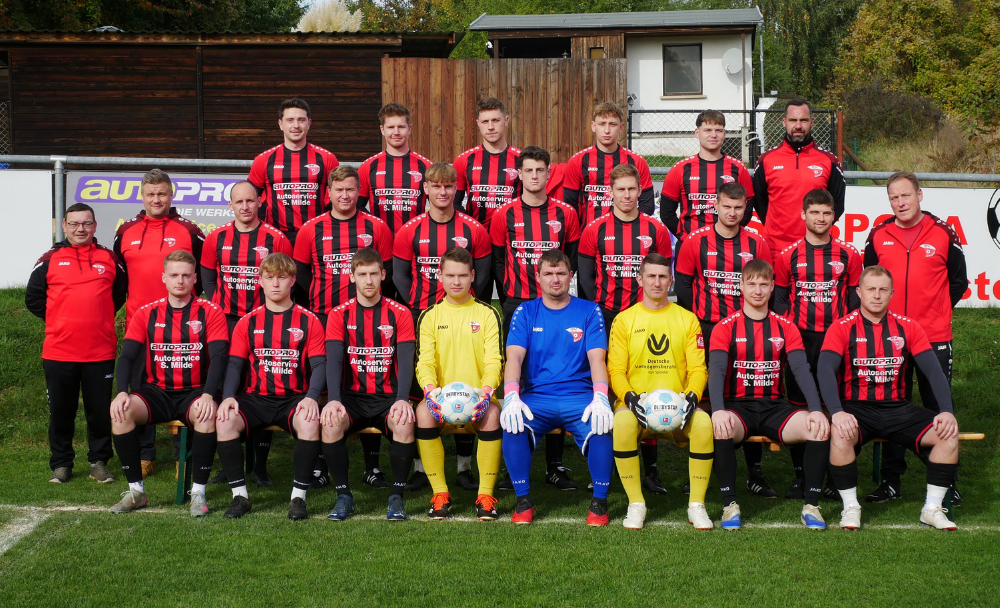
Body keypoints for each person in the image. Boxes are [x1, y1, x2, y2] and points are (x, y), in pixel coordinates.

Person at [817, 266, 961, 530]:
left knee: (948, 433)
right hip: (857, 409)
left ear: (892, 293)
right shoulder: (842, 327)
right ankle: (850, 507)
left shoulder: (908, 327)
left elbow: (933, 371)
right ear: (859, 292)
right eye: (871, 289)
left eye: (883, 290)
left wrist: (946, 410)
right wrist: (837, 412)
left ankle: (932, 508)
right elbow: (825, 370)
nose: (876, 295)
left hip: (898, 409)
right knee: (839, 432)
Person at [863, 171, 967, 504]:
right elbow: (869, 280)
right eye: (893, 197)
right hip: (889, 339)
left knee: (938, 406)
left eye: (905, 195)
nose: (900, 202)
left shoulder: (943, 232)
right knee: (892, 407)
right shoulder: (879, 235)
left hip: (933, 338)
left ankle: (947, 483)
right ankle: (891, 481)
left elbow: (959, 282)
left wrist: (935, 312)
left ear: (919, 195)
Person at [709, 260, 831, 530]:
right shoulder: (725, 327)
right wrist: (717, 410)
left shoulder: (786, 327)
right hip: (738, 407)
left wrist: (815, 409)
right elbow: (716, 371)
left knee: (818, 428)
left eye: (764, 284)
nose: (758, 290)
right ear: (741, 286)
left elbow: (801, 370)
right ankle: (730, 505)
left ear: (773, 286)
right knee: (720, 428)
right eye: (751, 284)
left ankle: (811, 506)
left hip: (775, 407)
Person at [293, 164, 395, 488]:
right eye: (339, 190)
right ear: (328, 193)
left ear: (359, 191)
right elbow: (302, 274)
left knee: (367, 383)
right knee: (325, 385)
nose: (345, 195)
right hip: (324, 318)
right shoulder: (311, 229)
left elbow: (387, 271)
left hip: (367, 317)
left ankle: (372, 466)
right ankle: (321, 464)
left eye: (351, 189)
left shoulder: (376, 227)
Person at [107, 251, 229, 516]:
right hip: (157, 391)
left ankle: (198, 492)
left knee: (207, 415)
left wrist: (209, 395)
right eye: (174, 275)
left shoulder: (210, 311)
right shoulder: (146, 313)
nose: (180, 280)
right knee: (121, 412)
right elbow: (127, 357)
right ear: (164, 277)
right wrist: (121, 392)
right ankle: (136, 492)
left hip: (196, 391)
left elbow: (219, 357)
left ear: (195, 278)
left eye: (186, 275)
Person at [393, 162, 491, 491]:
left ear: (455, 189)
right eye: (436, 186)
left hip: (463, 313)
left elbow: (483, 274)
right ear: (425, 189)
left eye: (448, 186)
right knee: (421, 386)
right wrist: (418, 304)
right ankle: (421, 468)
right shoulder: (409, 230)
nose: (443, 192)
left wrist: (463, 303)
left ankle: (464, 467)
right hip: (422, 315)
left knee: (463, 382)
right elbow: (400, 274)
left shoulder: (473, 229)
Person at [675, 181, 775, 498]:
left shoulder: (756, 242)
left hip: (747, 328)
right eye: (726, 206)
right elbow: (684, 285)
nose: (732, 213)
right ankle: (701, 468)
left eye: (738, 207)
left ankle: (755, 472)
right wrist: (698, 322)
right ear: (715, 206)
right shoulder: (695, 241)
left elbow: (764, 286)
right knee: (706, 397)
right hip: (706, 328)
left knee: (749, 394)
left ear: (746, 209)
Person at [500, 249, 615, 525]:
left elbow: (597, 359)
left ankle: (600, 504)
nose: (555, 279)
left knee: (602, 427)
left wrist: (600, 396)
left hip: (579, 397)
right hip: (537, 398)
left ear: (570, 276)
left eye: (561, 273)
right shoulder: (525, 311)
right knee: (513, 425)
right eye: (549, 273)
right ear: (538, 277)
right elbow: (514, 357)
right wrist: (511, 395)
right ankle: (523, 501)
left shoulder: (589, 311)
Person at [489, 145, 581, 490]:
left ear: (548, 173)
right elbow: (498, 260)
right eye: (528, 170)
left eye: (540, 170)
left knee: (555, 378)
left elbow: (570, 259)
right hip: (518, 303)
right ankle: (513, 464)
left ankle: (555, 465)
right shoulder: (504, 214)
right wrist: (510, 297)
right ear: (519, 174)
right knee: (516, 378)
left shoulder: (565, 213)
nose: (534, 176)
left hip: (556, 306)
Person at [578, 163, 673, 492]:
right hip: (606, 317)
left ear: (641, 191)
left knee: (647, 384)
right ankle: (602, 467)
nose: (627, 195)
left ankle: (651, 471)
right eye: (621, 189)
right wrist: (597, 313)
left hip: (645, 319)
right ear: (610, 192)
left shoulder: (655, 229)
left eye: (632, 189)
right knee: (603, 388)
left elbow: (660, 275)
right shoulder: (595, 229)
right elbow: (586, 279)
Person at [214, 253, 326, 520]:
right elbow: (235, 364)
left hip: (293, 399)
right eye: (269, 277)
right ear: (260, 281)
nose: (275, 284)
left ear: (292, 281)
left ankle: (298, 498)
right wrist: (228, 396)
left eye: (282, 277)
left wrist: (312, 397)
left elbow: (320, 365)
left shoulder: (309, 320)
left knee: (310, 421)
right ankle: (240, 496)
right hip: (255, 399)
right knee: (225, 420)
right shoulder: (247, 322)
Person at [608, 253, 714, 529]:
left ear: (671, 280)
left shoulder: (688, 319)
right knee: (622, 424)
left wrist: (692, 397)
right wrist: (630, 399)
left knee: (703, 424)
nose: (657, 282)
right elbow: (615, 370)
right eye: (651, 276)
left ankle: (697, 505)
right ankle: (636, 504)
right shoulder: (624, 320)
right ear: (639, 279)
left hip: (679, 407)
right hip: (638, 407)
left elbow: (699, 369)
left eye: (663, 276)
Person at [26, 202, 127, 484]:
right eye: (74, 223)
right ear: (64, 226)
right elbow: (33, 298)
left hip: (100, 351)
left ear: (94, 226)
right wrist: (60, 319)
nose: (80, 229)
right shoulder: (49, 259)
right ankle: (61, 464)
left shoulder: (109, 258)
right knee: (61, 411)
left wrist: (98, 316)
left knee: (99, 412)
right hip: (59, 352)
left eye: (86, 223)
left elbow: (119, 294)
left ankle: (99, 462)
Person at [114, 168, 205, 478]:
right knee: (141, 389)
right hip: (140, 327)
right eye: (151, 194)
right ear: (142, 196)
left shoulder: (189, 231)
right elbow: (119, 278)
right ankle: (146, 454)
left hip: (183, 328)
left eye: (162, 193)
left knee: (186, 389)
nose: (156, 199)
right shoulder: (125, 231)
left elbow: (203, 274)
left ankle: (183, 455)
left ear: (171, 195)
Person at [201, 180, 293, 487]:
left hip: (265, 322)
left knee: (262, 390)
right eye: (239, 201)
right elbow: (208, 278)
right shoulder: (216, 238)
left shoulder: (276, 238)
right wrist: (218, 308)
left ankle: (260, 466)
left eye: (250, 201)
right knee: (227, 389)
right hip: (227, 322)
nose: (245, 206)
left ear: (259, 203)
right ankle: (230, 464)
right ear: (230, 205)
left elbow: (285, 278)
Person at [773, 189, 861, 498]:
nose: (820, 218)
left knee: (838, 406)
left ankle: (837, 476)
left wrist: (846, 333)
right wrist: (789, 333)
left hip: (836, 341)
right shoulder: (788, 255)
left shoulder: (849, 254)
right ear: (803, 215)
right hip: (801, 342)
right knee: (802, 408)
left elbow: (854, 299)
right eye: (814, 212)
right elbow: (780, 299)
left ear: (834, 216)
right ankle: (802, 476)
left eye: (826, 213)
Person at [321, 248, 418, 521]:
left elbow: (406, 359)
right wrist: (334, 400)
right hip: (352, 398)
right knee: (330, 423)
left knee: (404, 423)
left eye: (374, 273)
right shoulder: (339, 314)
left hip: (388, 398)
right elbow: (333, 361)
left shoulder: (400, 313)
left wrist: (402, 399)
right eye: (362, 274)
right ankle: (343, 496)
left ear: (383, 275)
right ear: (352, 276)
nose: (368, 280)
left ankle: (396, 497)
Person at [415, 247, 505, 520]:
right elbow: (425, 362)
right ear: (440, 276)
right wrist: (429, 391)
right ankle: (440, 494)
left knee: (493, 416)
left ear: (472, 276)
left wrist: (486, 392)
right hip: (441, 401)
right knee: (422, 413)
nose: (456, 281)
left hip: (478, 400)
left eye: (463, 275)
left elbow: (494, 360)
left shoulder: (487, 313)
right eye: (451, 275)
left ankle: (485, 496)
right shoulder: (430, 315)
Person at [752, 99, 846, 254]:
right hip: (775, 249)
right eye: (793, 120)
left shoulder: (829, 161)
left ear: (812, 122)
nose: (798, 126)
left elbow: (838, 204)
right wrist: (777, 228)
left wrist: (817, 231)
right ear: (784, 122)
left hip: (815, 248)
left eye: (803, 120)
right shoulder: (766, 160)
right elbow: (759, 202)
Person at [248, 98, 339, 245]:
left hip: (318, 235)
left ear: (309, 123)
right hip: (276, 237)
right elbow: (250, 198)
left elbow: (339, 198)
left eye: (301, 120)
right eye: (290, 120)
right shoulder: (263, 160)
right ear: (280, 124)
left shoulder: (327, 158)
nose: (296, 125)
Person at [660, 109, 754, 249]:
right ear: (697, 133)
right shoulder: (680, 169)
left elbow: (747, 209)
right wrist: (686, 237)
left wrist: (729, 234)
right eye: (708, 130)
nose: (713, 135)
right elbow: (666, 213)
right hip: (690, 246)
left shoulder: (739, 168)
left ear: (724, 133)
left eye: (718, 130)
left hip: (728, 246)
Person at [562, 101, 655, 227]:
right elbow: (569, 205)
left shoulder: (637, 161)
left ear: (621, 128)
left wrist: (631, 228)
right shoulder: (578, 161)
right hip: (589, 233)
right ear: (593, 126)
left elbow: (647, 205)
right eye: (602, 124)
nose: (607, 130)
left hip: (626, 232)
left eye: (612, 124)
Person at [358, 103, 433, 233]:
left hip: (416, 238)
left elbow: (439, 206)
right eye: (391, 127)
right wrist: (373, 227)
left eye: (401, 127)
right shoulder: (368, 166)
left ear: (409, 129)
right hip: (380, 240)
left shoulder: (426, 166)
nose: (396, 132)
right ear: (382, 130)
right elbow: (357, 206)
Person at [453, 96, 521, 232]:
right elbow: (454, 203)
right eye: (485, 121)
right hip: (476, 236)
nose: (490, 127)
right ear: (478, 123)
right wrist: (468, 229)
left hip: (512, 236)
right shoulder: (464, 160)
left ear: (506, 121)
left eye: (495, 120)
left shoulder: (521, 159)